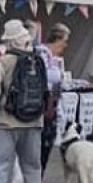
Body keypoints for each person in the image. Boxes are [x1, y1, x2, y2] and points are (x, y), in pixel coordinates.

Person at [0, 20, 45, 183]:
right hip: (34, 120)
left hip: (7, 121)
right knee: (33, 167)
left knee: (1, 166)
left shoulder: (4, 61)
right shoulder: (37, 60)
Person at [35, 21, 70, 172]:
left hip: (51, 108)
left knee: (47, 144)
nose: (66, 45)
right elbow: (41, 78)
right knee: (41, 145)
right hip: (41, 106)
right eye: (65, 41)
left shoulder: (54, 59)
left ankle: (37, 179)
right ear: (57, 39)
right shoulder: (42, 54)